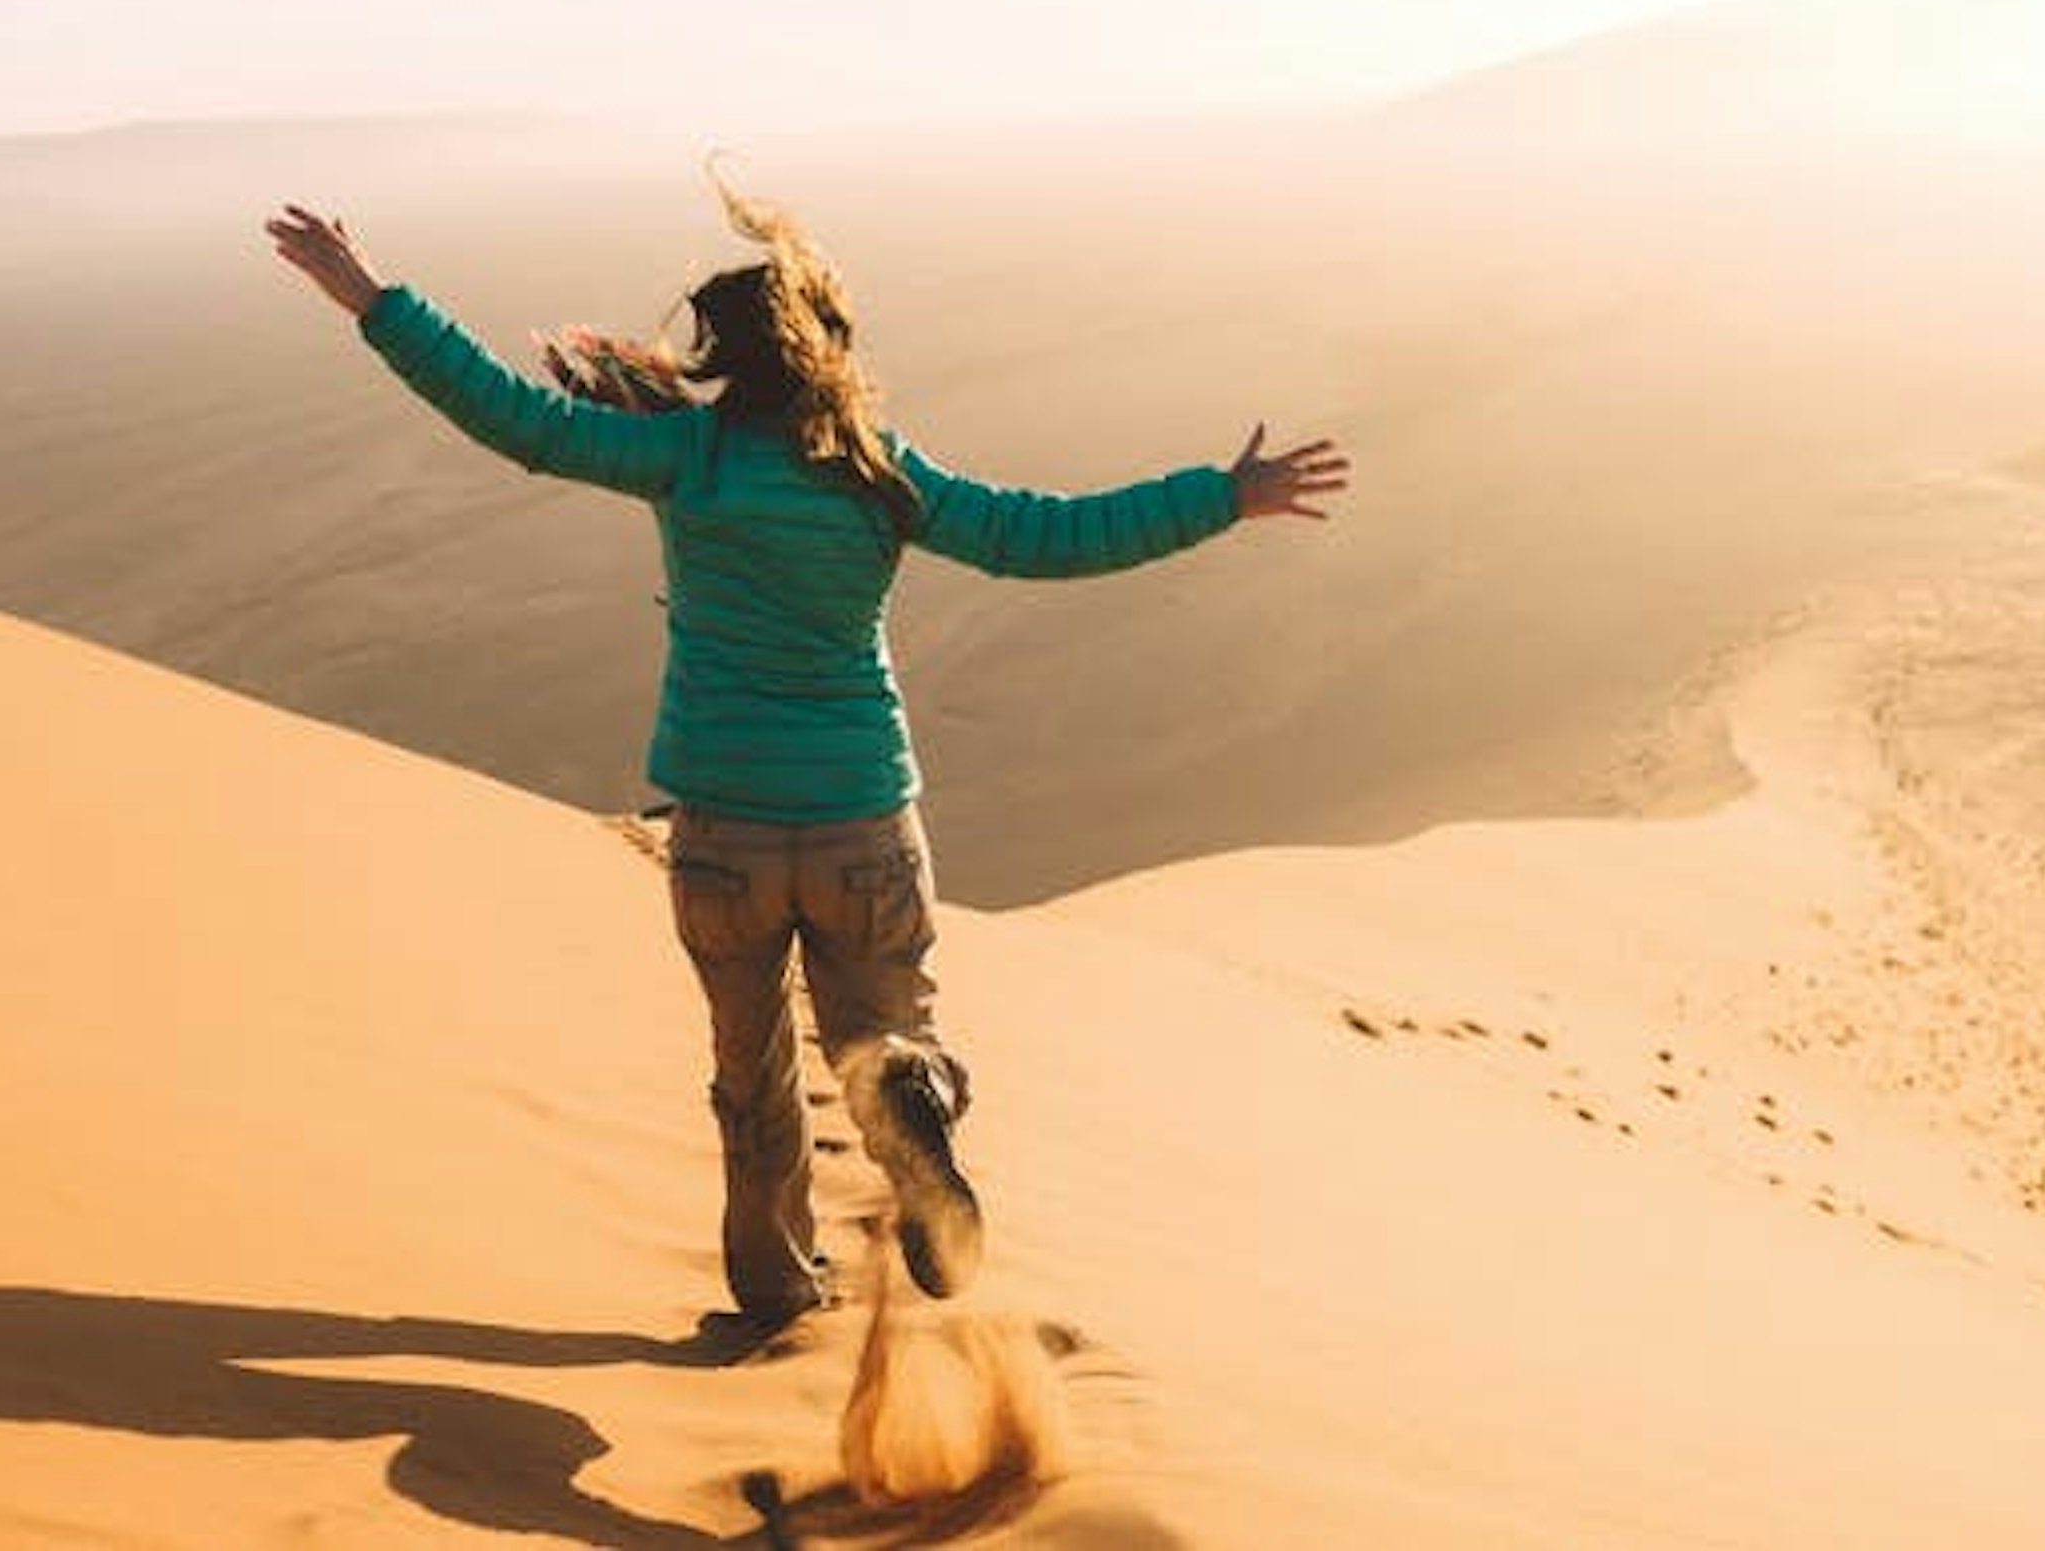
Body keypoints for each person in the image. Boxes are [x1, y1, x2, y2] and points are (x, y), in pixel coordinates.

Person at [265, 174, 1347, 1325]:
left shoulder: (687, 457)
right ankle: (907, 1091)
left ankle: (778, 1293)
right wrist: (1221, 496)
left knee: (753, 1080)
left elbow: (512, 418)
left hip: (724, 834)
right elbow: (1047, 534)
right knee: (885, 1034)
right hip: (860, 825)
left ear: (729, 360)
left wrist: (374, 300)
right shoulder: (880, 473)